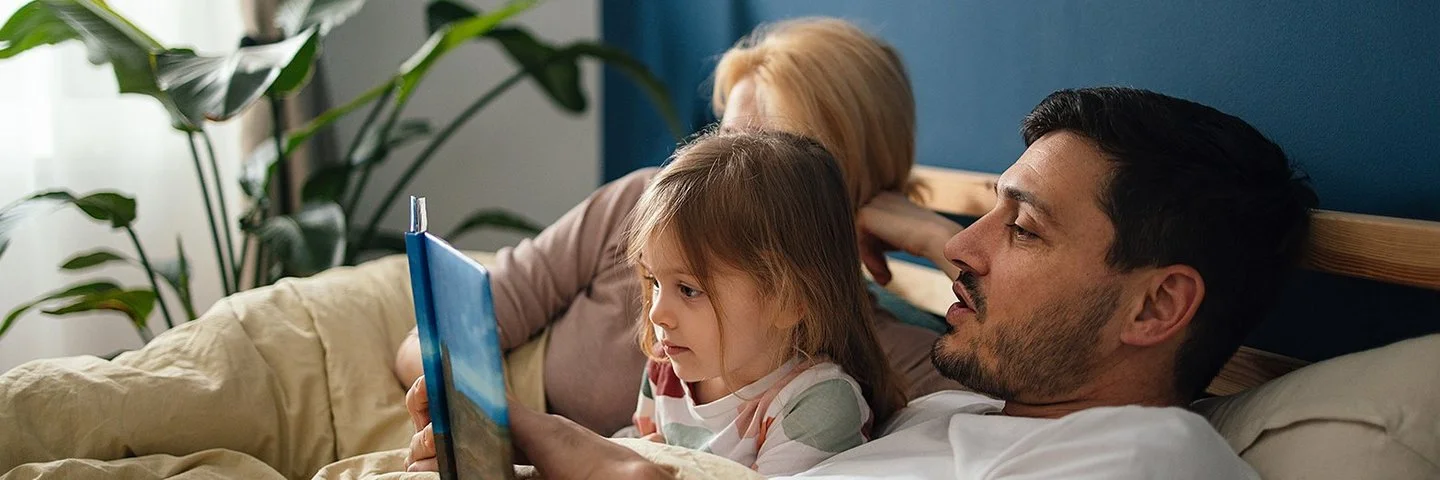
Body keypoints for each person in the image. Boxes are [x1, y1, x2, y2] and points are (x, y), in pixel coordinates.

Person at [407, 87, 1318, 479]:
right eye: (982, 215)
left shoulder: (1147, 461)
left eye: (1026, 228)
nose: (963, 251)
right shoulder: (946, 412)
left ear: (1157, 304)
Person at [393, 17, 958, 436]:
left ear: (841, 185)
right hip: (463, 418)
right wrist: (472, 413)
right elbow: (433, 337)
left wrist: (937, 240)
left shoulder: (866, 344)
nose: (728, 171)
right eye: (725, 138)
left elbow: (1032, 394)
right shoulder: (644, 207)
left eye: (769, 155)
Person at [626, 131, 906, 475]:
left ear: (788, 299)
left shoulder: (817, 406)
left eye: (688, 289)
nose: (658, 313)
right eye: (655, 282)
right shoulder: (666, 366)